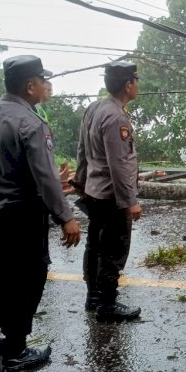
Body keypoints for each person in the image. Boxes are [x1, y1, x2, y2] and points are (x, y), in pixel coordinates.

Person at [0, 55, 81, 372]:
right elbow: (44, 177)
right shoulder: (32, 123)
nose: (47, 85)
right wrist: (65, 217)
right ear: (30, 86)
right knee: (27, 279)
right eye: (43, 80)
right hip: (22, 215)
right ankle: (15, 350)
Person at [75, 60, 142, 322]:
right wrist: (130, 202)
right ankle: (107, 305)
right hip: (111, 196)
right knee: (113, 250)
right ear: (128, 85)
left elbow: (82, 150)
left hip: (94, 192)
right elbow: (119, 163)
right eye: (136, 81)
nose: (138, 86)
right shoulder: (116, 116)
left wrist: (81, 182)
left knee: (95, 245)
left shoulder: (94, 108)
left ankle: (93, 296)